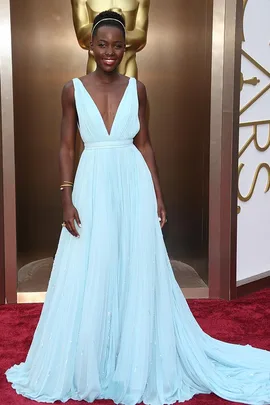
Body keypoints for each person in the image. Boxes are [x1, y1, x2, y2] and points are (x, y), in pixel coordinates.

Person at [5, 10, 270, 405]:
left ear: (125, 47)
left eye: (117, 45)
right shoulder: (71, 89)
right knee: (91, 264)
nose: (109, 52)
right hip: (92, 182)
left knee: (133, 262)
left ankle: (133, 354)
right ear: (89, 46)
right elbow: (65, 145)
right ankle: (93, 359)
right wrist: (66, 194)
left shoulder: (138, 88)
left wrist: (158, 195)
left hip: (133, 183)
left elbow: (145, 143)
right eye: (102, 44)